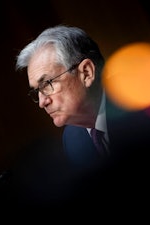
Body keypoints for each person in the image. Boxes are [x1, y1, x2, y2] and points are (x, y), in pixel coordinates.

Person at [15, 25, 110, 171]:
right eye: (37, 91)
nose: (42, 102)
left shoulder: (140, 108)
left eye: (47, 84)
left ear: (86, 73)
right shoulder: (72, 138)